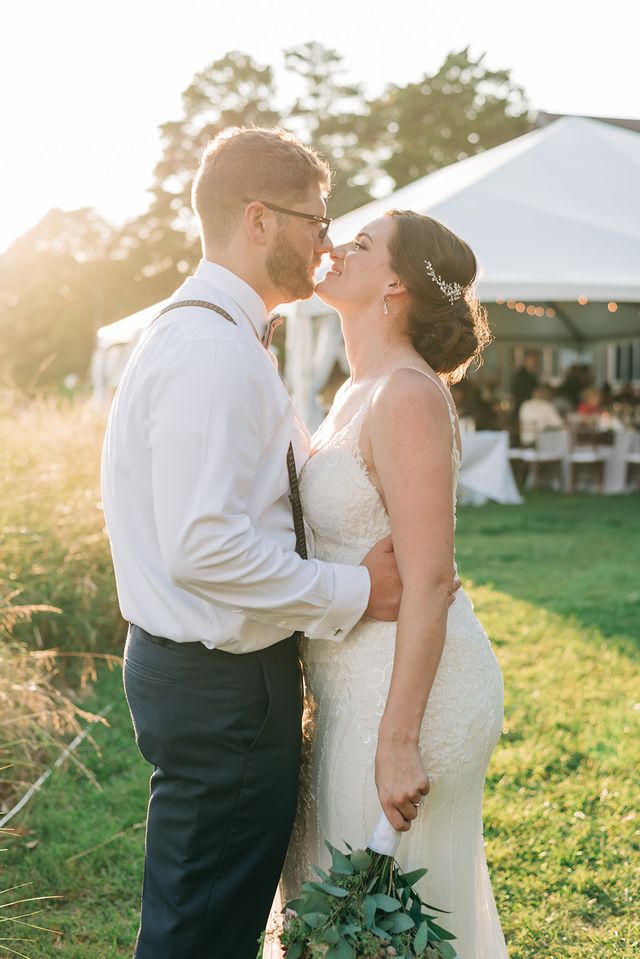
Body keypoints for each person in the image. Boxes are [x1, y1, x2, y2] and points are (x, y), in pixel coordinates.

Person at [100, 127, 412, 959]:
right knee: (201, 932)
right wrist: (356, 591)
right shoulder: (209, 349)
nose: (325, 240)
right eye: (316, 218)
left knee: (205, 919)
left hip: (210, 677)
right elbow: (203, 546)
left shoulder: (214, 333)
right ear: (259, 219)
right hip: (222, 689)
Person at [280, 210, 508, 958]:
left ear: (397, 284)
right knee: (338, 900)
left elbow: (431, 573)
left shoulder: (406, 393)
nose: (335, 247)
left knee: (380, 915)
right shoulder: (355, 389)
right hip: (352, 682)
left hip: (409, 696)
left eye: (362, 244)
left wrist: (399, 739)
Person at [511, 349, 539, 415]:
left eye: (535, 362)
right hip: (522, 405)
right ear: (526, 360)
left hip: (530, 405)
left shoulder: (532, 375)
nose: (534, 364)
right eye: (532, 361)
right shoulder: (520, 375)